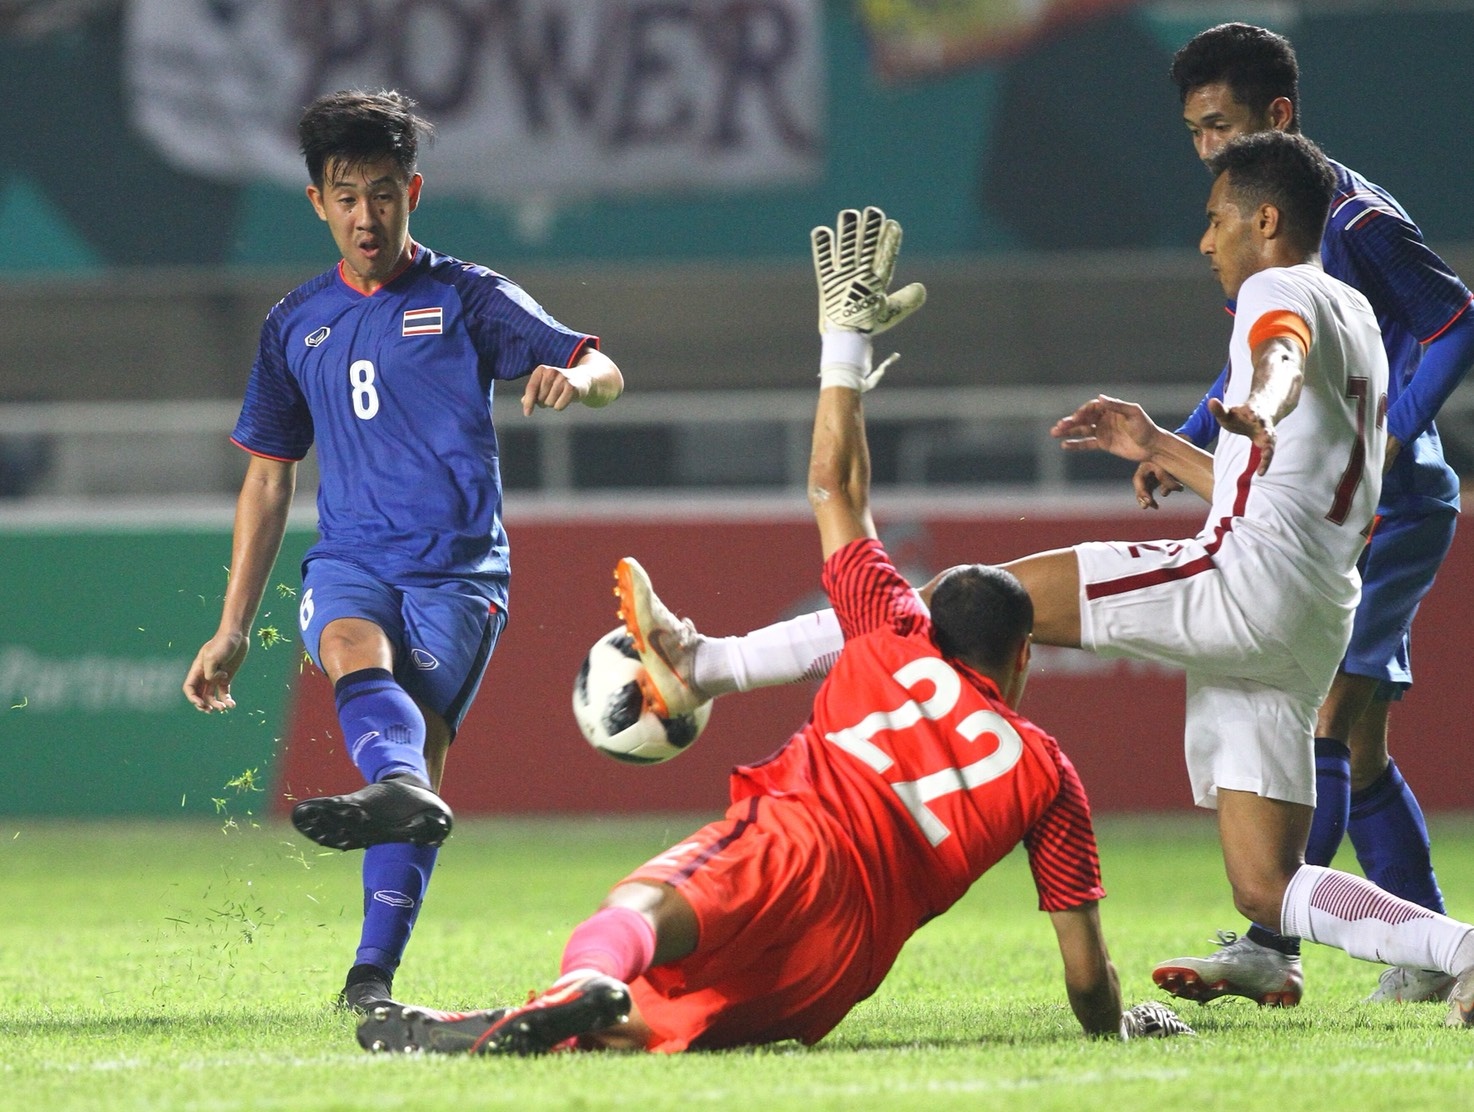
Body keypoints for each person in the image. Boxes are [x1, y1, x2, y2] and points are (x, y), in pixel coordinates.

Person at [605, 137, 1474, 1029]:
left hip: (1242, 580)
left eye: (1216, 220)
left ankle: (702, 665)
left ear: (1267, 219)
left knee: (965, 602)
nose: (1206, 240)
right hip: (1313, 612)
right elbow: (1292, 486)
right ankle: (1463, 951)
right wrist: (1160, 445)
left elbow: (1278, 354)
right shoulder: (1362, 319)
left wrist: (1265, 398)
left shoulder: (1275, 291)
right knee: (1269, 884)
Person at [355, 206, 1194, 1055]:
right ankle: (507, 1028)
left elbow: (835, 486)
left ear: (932, 619)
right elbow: (1086, 974)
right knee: (659, 1026)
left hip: (792, 841)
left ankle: (582, 980)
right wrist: (1120, 1021)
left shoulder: (892, 628)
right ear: (1023, 656)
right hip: (845, 959)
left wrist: (844, 344)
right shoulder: (1048, 773)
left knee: (638, 910)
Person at [182, 89, 624, 1012]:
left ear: (411, 193)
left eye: (383, 194)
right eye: (347, 197)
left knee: (420, 760)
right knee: (352, 650)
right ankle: (391, 798)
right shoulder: (294, 324)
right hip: (351, 559)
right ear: (318, 202)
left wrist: (577, 381)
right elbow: (268, 479)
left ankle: (370, 973)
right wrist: (232, 626)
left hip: (458, 575)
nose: (366, 217)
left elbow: (601, 365)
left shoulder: (468, 296)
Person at [1138, 23, 1474, 1008]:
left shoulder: (1353, 220)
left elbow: (1455, 319)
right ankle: (1431, 951)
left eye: (1220, 125)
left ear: (1277, 116)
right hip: (1345, 512)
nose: (1207, 148)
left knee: (1319, 713)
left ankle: (1267, 943)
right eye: (1194, 132)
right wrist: (1184, 435)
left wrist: (1388, 435)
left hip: (1387, 510)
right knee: (1356, 744)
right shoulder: (1267, 231)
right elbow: (1257, 360)